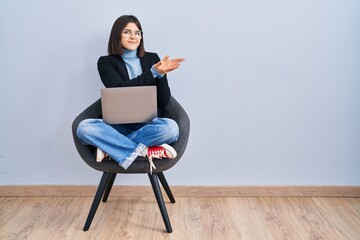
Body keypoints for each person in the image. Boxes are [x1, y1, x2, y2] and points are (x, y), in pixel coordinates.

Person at [76, 15, 185, 173]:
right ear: (117, 35)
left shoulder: (152, 59)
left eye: (138, 33)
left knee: (171, 129)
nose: (134, 37)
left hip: (147, 126)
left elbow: (163, 101)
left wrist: (160, 76)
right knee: (84, 129)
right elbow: (118, 89)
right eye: (127, 32)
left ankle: (111, 150)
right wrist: (153, 72)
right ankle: (146, 151)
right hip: (116, 128)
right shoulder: (106, 62)